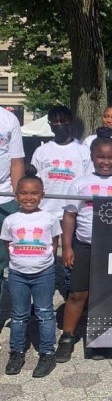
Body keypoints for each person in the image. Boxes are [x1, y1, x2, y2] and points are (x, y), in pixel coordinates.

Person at [55, 127, 112, 363]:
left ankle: (105, 339)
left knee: (110, 294)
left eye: (111, 157)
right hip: (85, 245)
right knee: (77, 293)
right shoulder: (80, 184)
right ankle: (67, 337)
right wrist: (68, 247)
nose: (105, 162)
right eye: (101, 157)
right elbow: (69, 216)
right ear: (92, 157)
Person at [1, 166, 62, 377]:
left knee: (45, 313)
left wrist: (43, 263)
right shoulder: (10, 220)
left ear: (42, 195)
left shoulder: (49, 219)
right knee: (18, 315)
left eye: (34, 193)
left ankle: (47, 352)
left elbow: (54, 244)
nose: (29, 197)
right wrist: (19, 263)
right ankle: (16, 351)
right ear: (16, 195)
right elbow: (8, 243)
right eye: (24, 193)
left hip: (43, 273)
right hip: (17, 274)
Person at [31, 106, 92, 298]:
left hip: (73, 214)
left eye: (63, 122)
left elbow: (88, 181)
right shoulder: (42, 151)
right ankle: (43, 293)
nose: (59, 126)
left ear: (70, 122)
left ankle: (70, 292)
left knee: (70, 257)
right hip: (46, 211)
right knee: (46, 255)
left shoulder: (83, 150)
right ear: (50, 124)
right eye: (55, 122)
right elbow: (35, 181)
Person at [0, 106, 25, 352]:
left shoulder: (8, 119)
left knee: (3, 264)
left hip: (4, 199)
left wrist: (18, 203)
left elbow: (17, 161)